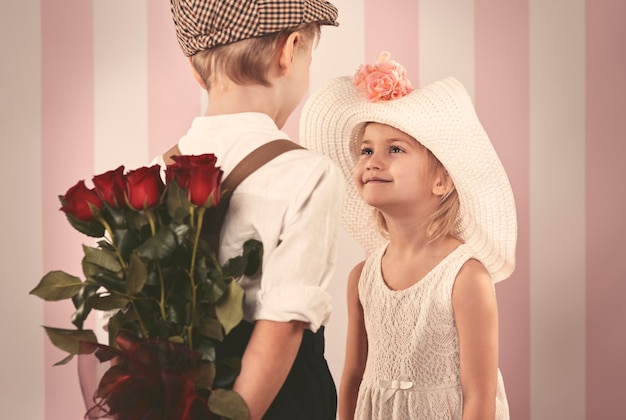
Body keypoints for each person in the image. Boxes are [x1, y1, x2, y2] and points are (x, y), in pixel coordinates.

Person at [153, 1, 344, 419]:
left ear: (193, 66)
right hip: (275, 398)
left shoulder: (165, 170)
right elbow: (283, 322)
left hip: (184, 390)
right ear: (289, 50)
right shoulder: (307, 173)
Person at [300, 52, 517, 419]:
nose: (372, 160)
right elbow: (353, 377)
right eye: (366, 149)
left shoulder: (465, 277)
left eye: (395, 149)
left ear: (441, 179)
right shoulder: (362, 278)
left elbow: (480, 397)